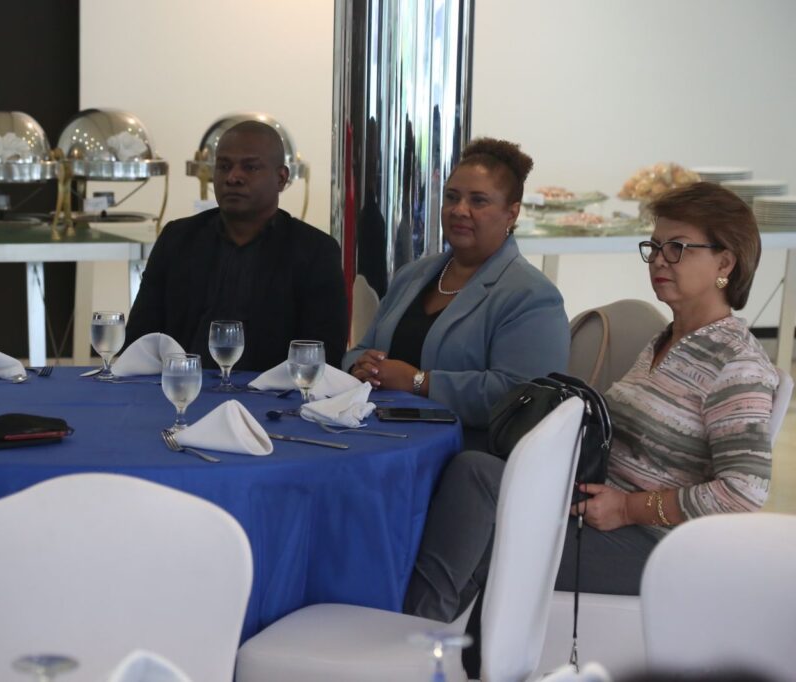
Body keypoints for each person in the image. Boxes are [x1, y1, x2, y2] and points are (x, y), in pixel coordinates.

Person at [404, 182, 778, 627]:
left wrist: (628, 508)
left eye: (677, 248)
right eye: (654, 247)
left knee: (475, 540)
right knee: (471, 469)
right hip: (597, 507)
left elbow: (742, 493)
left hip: (656, 544)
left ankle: (417, 639)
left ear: (725, 262)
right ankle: (432, 637)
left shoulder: (737, 363)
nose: (659, 260)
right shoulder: (667, 340)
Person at [344, 138, 569, 441]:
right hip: (377, 433)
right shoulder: (411, 276)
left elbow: (524, 397)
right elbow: (360, 350)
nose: (459, 210)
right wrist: (360, 367)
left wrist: (419, 382)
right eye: (452, 197)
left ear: (512, 213)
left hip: (465, 452)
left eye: (478, 201)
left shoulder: (532, 295)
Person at [124, 120, 347, 371]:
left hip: (274, 392)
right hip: (182, 387)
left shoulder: (315, 251)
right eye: (224, 166)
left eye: (250, 167)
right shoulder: (178, 239)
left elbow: (324, 356)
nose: (233, 177)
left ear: (281, 178)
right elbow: (139, 341)